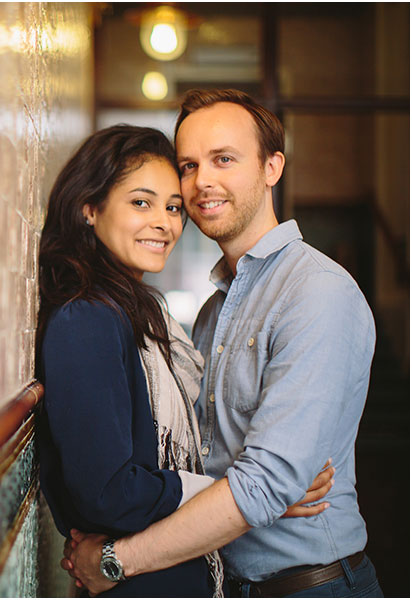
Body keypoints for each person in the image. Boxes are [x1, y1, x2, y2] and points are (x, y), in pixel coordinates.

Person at [63, 89, 382, 598]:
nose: (201, 182)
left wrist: (116, 560)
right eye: (188, 166)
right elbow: (210, 463)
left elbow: (263, 487)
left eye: (224, 159)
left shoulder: (318, 292)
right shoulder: (213, 310)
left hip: (309, 587)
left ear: (271, 167)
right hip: (223, 583)